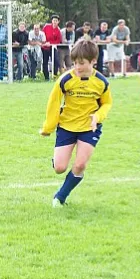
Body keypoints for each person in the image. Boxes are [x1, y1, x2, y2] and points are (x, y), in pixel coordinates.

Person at [39, 39, 112, 208]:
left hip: (89, 128)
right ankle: (57, 159)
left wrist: (98, 117)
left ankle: (60, 197)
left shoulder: (101, 82)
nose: (77, 67)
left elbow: (107, 103)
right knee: (59, 168)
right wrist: (48, 127)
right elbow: (54, 102)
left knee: (80, 165)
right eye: (75, 63)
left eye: (81, 63)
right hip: (67, 126)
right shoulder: (65, 80)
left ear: (93, 61)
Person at [42, 15, 62, 80]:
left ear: (58, 22)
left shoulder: (58, 30)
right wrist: (45, 43)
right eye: (53, 20)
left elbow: (58, 40)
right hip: (45, 47)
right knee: (45, 61)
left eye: (56, 21)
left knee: (55, 61)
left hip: (53, 47)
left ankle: (55, 75)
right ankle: (46, 77)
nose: (55, 22)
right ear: (51, 21)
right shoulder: (46, 27)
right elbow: (42, 35)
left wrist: (51, 44)